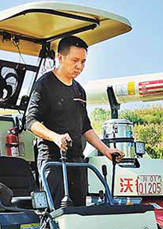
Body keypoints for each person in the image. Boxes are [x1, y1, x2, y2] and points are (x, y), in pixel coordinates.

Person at [25, 35, 122, 207]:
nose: (79, 66)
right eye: (75, 60)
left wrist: (106, 150)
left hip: (77, 162)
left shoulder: (79, 91)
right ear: (60, 57)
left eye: (83, 62)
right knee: (54, 216)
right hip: (53, 160)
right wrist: (55, 137)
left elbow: (86, 127)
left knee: (79, 215)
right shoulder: (45, 84)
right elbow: (31, 121)